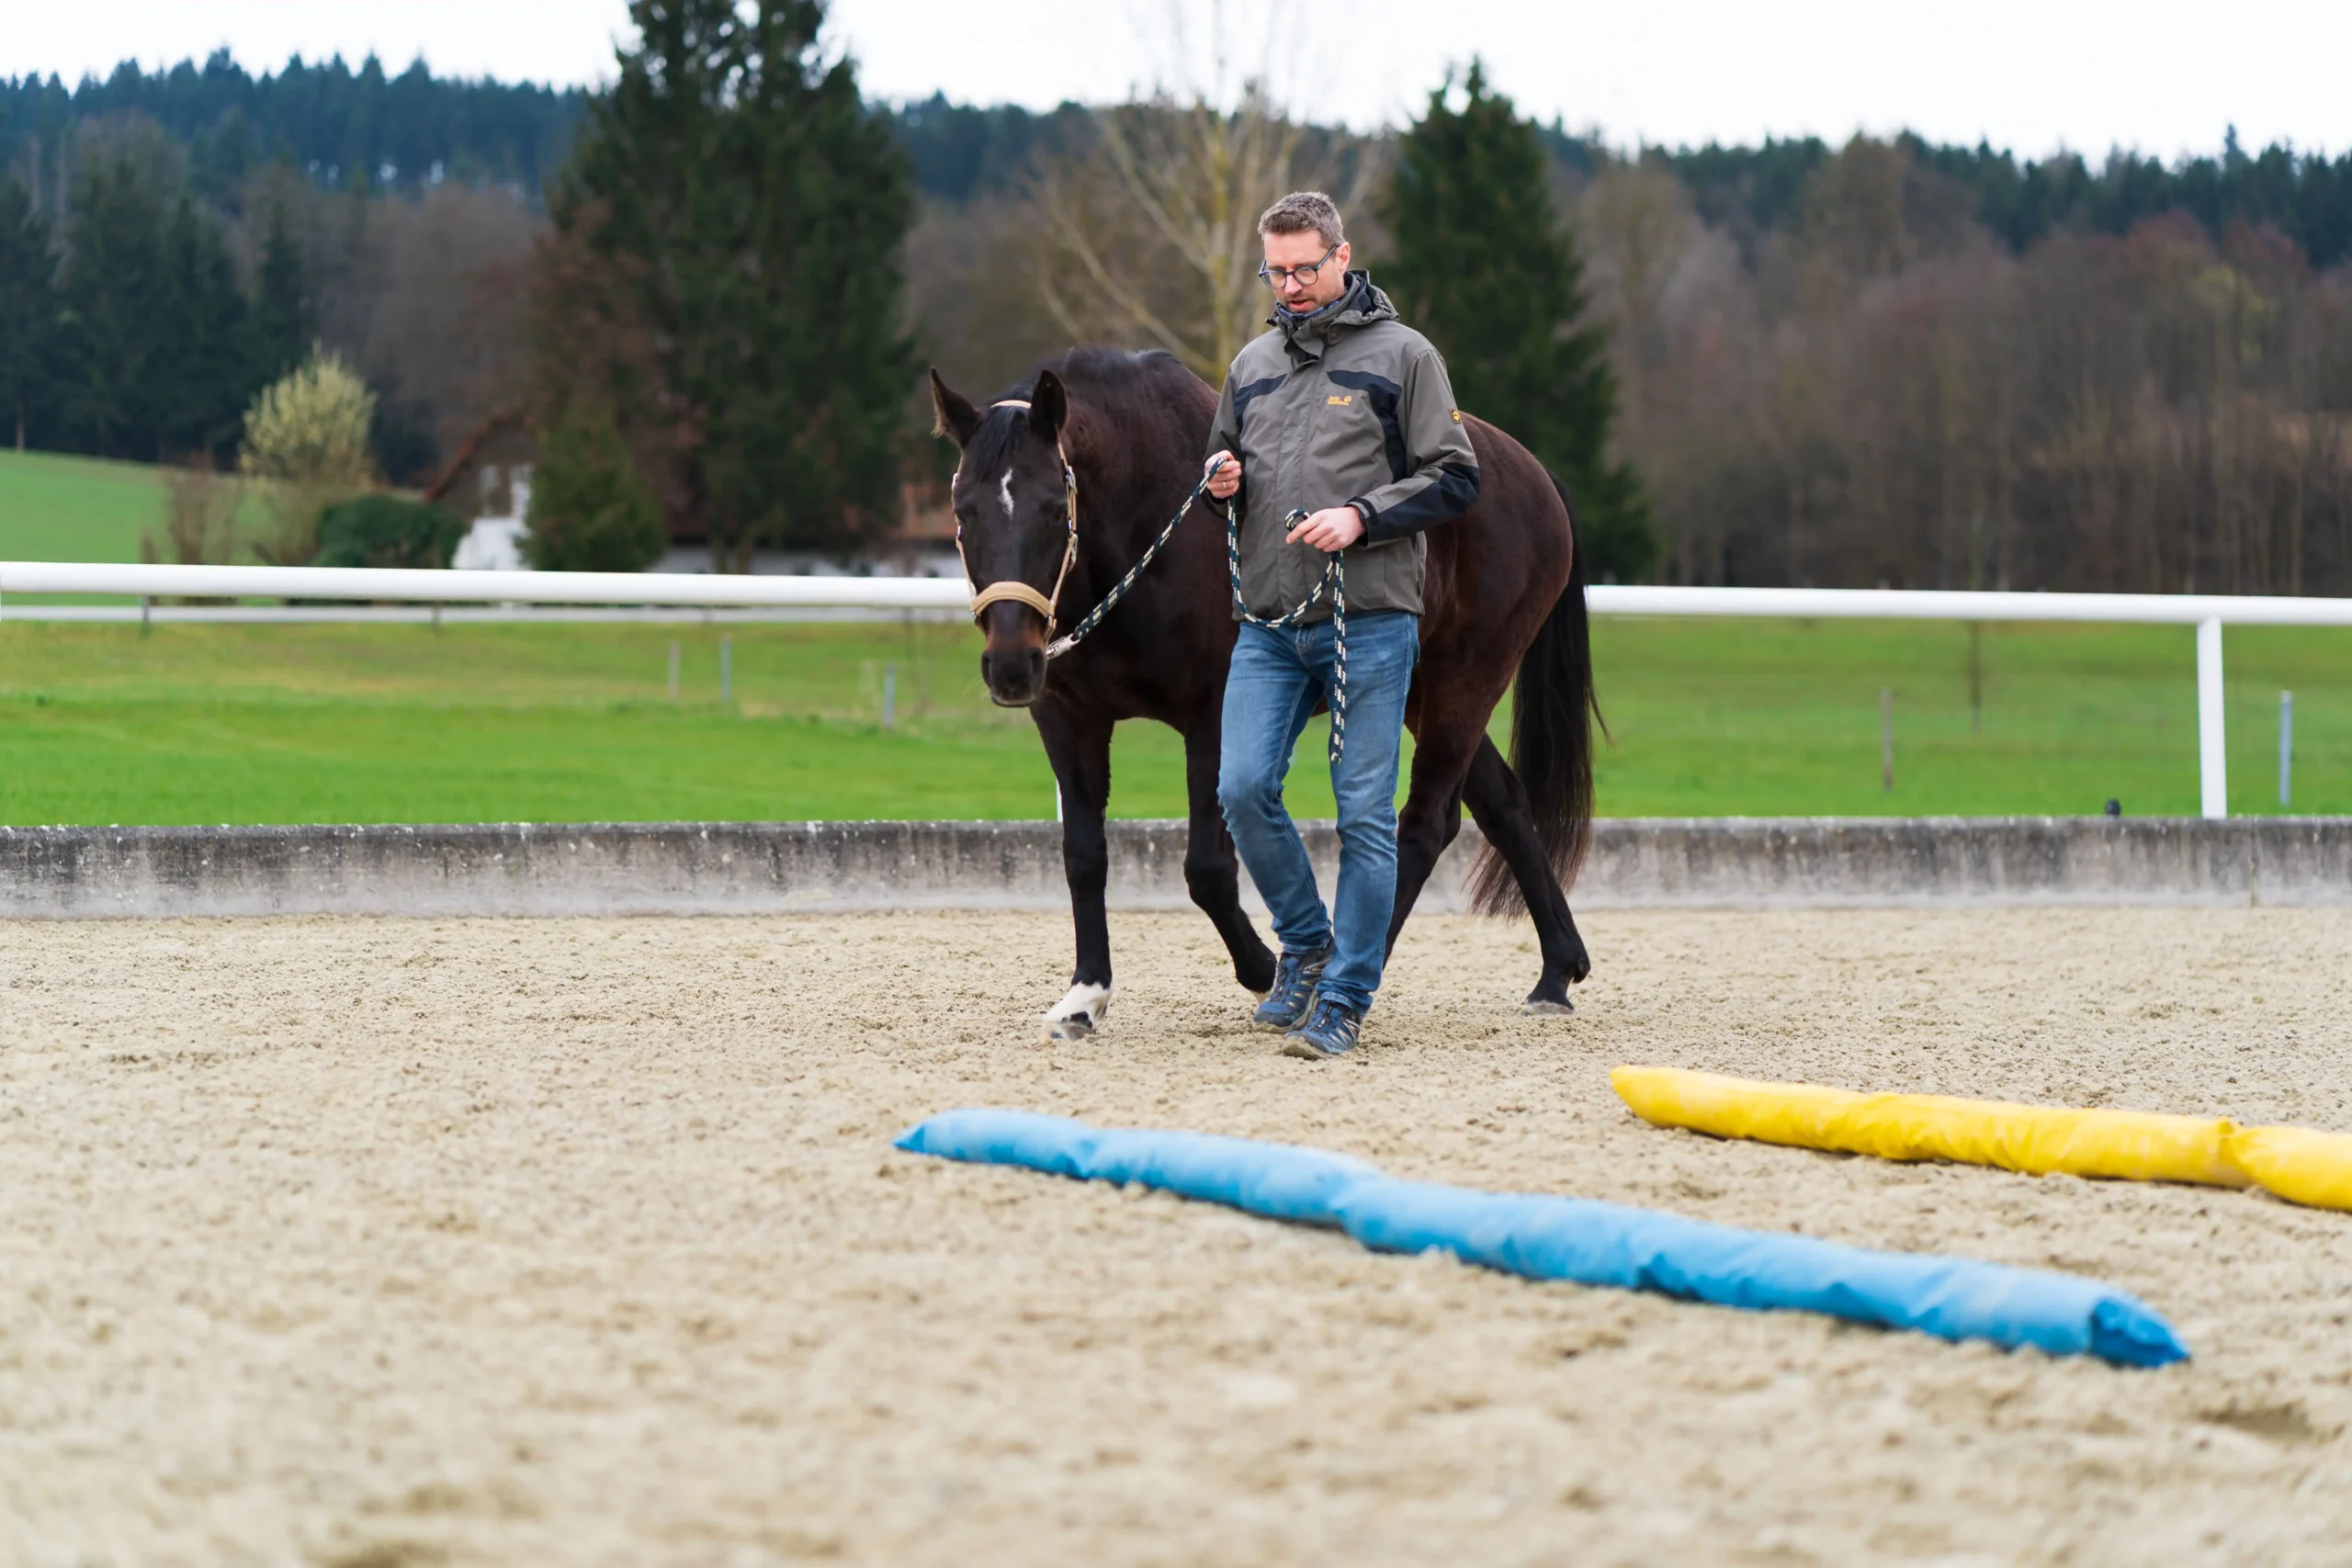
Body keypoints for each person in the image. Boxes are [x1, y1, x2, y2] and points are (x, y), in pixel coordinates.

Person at [1204, 190, 1481, 1061]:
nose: (1288, 285)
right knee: (1241, 788)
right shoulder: (1250, 364)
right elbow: (1227, 459)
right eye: (1275, 271)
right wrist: (1221, 477)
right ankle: (1308, 942)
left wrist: (1364, 514)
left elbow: (1456, 476)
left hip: (1368, 619)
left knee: (1364, 812)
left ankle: (1346, 999)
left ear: (1341, 255)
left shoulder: (1406, 357)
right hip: (1267, 624)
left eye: (1303, 268)